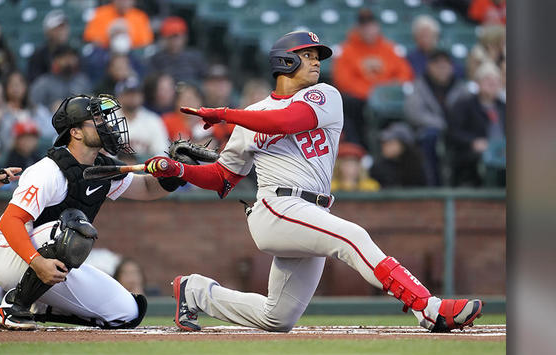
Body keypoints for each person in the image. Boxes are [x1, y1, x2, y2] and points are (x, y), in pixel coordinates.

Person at [142, 31, 484, 333]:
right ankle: (429, 308)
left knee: (277, 318)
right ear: (284, 61)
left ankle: (194, 292)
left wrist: (225, 114)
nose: (315, 62)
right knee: (353, 236)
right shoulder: (251, 117)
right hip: (277, 207)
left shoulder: (324, 97)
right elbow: (223, 179)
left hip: (311, 211)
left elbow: (286, 121)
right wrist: (179, 171)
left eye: (317, 56)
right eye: (306, 55)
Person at [0, 94, 178, 330]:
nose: (106, 124)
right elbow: (10, 222)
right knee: (74, 228)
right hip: (11, 256)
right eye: (96, 118)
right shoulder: (48, 171)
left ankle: (42, 304)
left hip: (52, 260)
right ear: (75, 132)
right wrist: (36, 262)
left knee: (128, 312)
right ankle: (14, 306)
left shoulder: (102, 167)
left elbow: (148, 187)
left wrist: (179, 172)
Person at [331, 8, 414, 146]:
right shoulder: (346, 50)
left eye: (371, 25)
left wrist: (384, 92)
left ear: (377, 27)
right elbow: (343, 81)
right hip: (361, 101)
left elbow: (405, 74)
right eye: (364, 26)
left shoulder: (390, 48)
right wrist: (371, 93)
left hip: (387, 99)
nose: (368, 29)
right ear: (358, 28)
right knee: (345, 103)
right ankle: (359, 147)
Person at [404, 49, 469, 186]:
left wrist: (452, 127)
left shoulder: (460, 87)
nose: (441, 69)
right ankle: (432, 185)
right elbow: (414, 113)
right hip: (430, 130)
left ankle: (463, 186)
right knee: (430, 138)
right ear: (429, 67)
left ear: (451, 67)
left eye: (445, 65)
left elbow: (468, 113)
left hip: (456, 132)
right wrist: (442, 125)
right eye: (437, 65)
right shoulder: (420, 85)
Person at [447, 62, 505, 187]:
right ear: (478, 83)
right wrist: (473, 142)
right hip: (473, 153)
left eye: (496, 80)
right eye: (487, 79)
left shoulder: (504, 107)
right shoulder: (464, 105)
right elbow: (453, 132)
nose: (492, 83)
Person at [114, 77, 169, 161]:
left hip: (145, 170)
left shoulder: (153, 120)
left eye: (136, 93)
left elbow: (162, 152)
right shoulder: (108, 120)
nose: (133, 97)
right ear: (118, 97)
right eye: (128, 94)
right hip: (116, 170)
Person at [29, 45, 92, 109]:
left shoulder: (83, 81)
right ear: (55, 61)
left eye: (72, 57)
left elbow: (91, 104)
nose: (68, 61)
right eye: (64, 57)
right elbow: (33, 107)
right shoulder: (43, 82)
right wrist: (50, 108)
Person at [147, 16, 206, 84]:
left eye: (177, 36)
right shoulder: (156, 59)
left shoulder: (195, 57)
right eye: (170, 37)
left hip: (191, 92)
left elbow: (204, 80)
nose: (174, 41)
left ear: (185, 37)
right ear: (164, 38)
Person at [369, 123, 427, 188]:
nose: (384, 146)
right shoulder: (378, 168)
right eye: (384, 142)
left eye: (390, 142)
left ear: (403, 145)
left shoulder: (416, 166)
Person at [83, 0, 153, 50]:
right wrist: (109, 35)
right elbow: (89, 36)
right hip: (105, 52)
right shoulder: (100, 13)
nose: (123, 2)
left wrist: (128, 34)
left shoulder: (140, 16)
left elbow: (146, 40)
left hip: (132, 53)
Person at [27, 10, 71, 83]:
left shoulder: (72, 52)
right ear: (48, 31)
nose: (63, 31)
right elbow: (35, 82)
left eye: (64, 27)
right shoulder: (38, 55)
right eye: (58, 28)